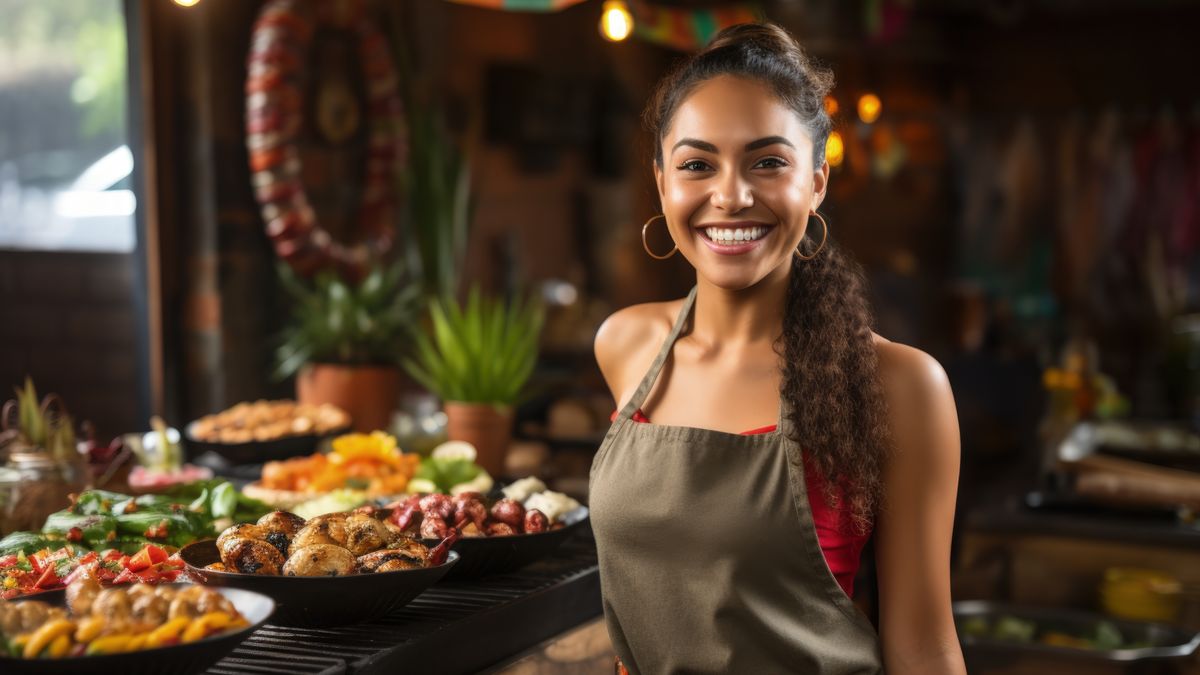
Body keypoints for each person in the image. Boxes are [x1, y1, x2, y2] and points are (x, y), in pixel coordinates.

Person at [589, 23, 966, 675]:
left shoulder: (900, 384)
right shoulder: (625, 345)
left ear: (816, 181)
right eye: (697, 164)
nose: (731, 194)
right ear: (661, 183)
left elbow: (924, 648)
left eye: (767, 161)